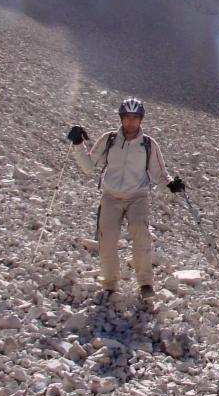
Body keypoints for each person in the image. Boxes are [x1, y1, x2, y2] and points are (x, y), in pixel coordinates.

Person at [66, 98, 184, 301]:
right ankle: (110, 284)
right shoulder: (108, 140)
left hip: (137, 197)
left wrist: (171, 184)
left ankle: (145, 283)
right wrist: (78, 144)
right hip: (111, 196)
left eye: (135, 118)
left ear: (141, 119)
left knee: (140, 233)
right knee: (107, 239)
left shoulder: (148, 144)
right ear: (121, 118)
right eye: (127, 117)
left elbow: (159, 174)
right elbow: (88, 166)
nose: (131, 122)